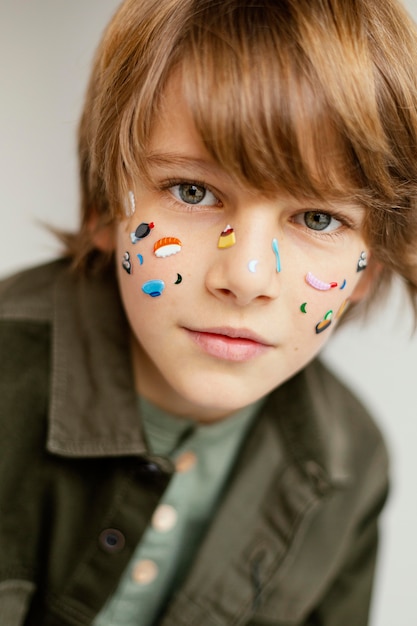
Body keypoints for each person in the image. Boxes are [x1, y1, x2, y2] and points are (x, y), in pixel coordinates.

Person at [1, 0, 417, 624]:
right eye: (193, 192)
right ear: (103, 206)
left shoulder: (350, 465)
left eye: (319, 218)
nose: (246, 277)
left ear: (373, 265)